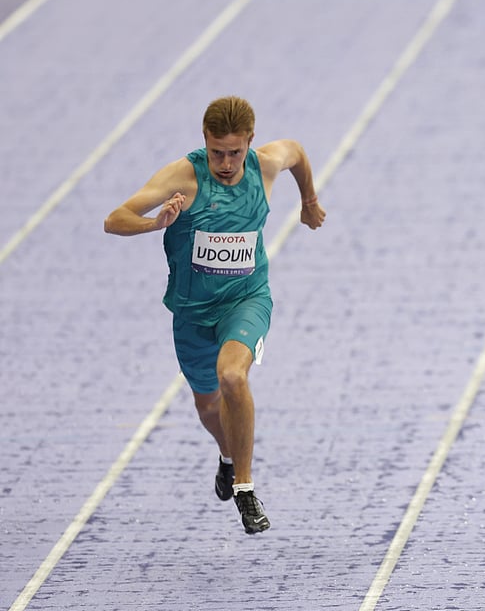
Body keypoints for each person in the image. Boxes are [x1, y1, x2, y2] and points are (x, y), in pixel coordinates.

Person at [103, 96, 325, 534]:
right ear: (204, 141)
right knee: (208, 407)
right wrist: (157, 223)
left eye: (234, 152)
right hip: (192, 312)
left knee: (233, 377)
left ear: (250, 143)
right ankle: (228, 457)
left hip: (247, 299)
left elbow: (296, 151)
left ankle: (245, 488)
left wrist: (309, 200)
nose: (225, 163)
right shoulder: (182, 177)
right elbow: (115, 219)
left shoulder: (264, 166)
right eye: (216, 152)